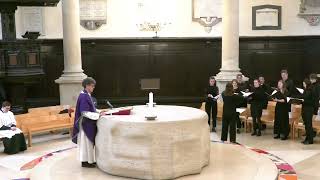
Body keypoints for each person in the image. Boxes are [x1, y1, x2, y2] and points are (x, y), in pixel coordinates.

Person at [72, 77, 105, 168]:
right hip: (85, 124)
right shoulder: (84, 96)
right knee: (86, 143)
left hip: (88, 123)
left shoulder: (87, 95)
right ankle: (85, 162)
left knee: (89, 144)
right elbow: (84, 112)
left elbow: (91, 109)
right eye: (92, 86)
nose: (93, 88)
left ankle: (90, 161)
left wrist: (99, 111)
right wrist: (98, 116)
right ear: (87, 86)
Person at [301, 78, 316, 145]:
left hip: (309, 109)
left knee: (309, 125)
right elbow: (304, 97)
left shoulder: (311, 90)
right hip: (305, 109)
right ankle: (307, 138)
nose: (303, 85)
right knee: (306, 125)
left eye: (304, 83)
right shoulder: (306, 90)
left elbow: (312, 101)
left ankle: (310, 140)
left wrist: (304, 100)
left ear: (306, 83)